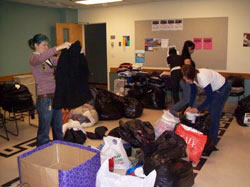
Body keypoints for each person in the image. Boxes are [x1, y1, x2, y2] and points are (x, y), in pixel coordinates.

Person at [28, 33, 71, 147]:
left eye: (48, 45)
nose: (46, 47)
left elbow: (63, 61)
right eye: (44, 45)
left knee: (58, 126)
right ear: (36, 45)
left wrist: (75, 52)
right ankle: (42, 152)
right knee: (44, 129)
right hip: (44, 98)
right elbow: (41, 57)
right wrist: (58, 47)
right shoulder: (34, 58)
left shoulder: (49, 59)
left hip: (55, 96)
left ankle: (60, 148)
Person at [182, 64, 232, 145]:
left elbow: (209, 97)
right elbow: (193, 92)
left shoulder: (202, 77)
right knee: (210, 112)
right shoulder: (192, 77)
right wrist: (190, 106)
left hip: (223, 88)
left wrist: (197, 109)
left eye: (185, 77)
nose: (184, 78)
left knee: (214, 114)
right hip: (215, 89)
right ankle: (210, 135)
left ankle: (212, 142)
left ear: (191, 75)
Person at [169, 40, 196, 116]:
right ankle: (172, 110)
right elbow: (188, 71)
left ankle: (186, 113)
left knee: (187, 99)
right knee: (186, 99)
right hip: (186, 81)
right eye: (192, 49)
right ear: (189, 48)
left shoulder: (183, 56)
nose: (193, 50)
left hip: (184, 80)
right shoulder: (187, 58)